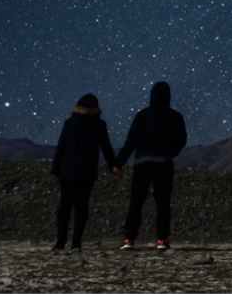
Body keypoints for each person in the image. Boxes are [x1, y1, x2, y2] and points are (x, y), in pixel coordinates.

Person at [114, 81, 188, 250]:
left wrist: (119, 163)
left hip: (142, 163)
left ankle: (129, 239)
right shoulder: (175, 116)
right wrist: (171, 152)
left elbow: (131, 141)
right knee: (163, 203)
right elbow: (181, 139)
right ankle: (162, 239)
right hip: (163, 163)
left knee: (136, 201)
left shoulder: (142, 115)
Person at [50, 93, 117, 253]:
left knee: (65, 206)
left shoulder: (70, 123)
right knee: (81, 207)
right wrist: (113, 165)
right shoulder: (99, 125)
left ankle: (60, 242)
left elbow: (61, 146)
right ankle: (76, 243)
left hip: (67, 170)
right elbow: (106, 147)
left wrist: (56, 168)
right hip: (87, 171)